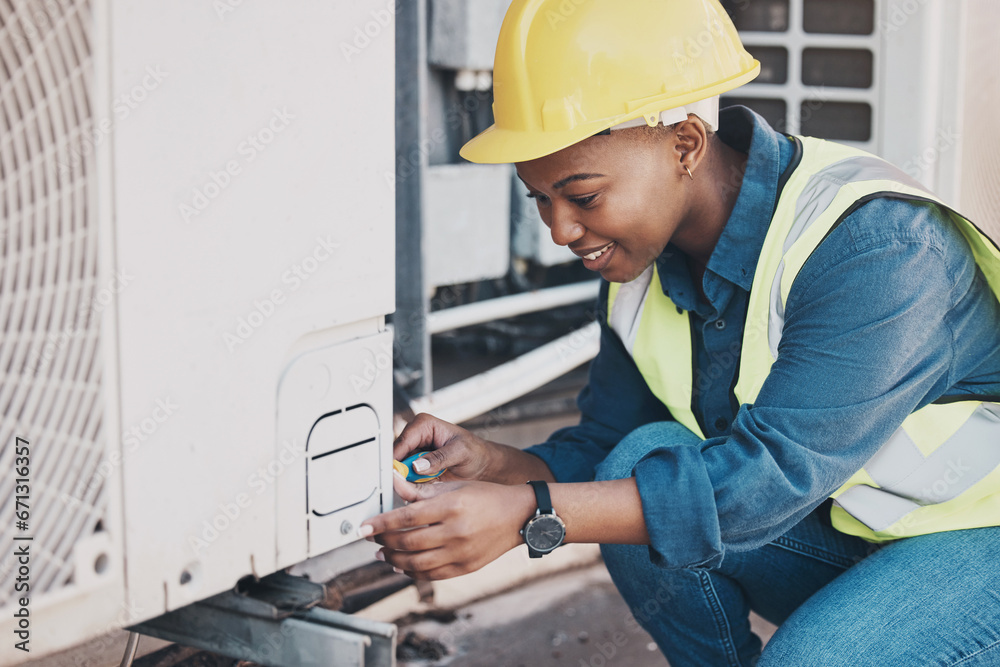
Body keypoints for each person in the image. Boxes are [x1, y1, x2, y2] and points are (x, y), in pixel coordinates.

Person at [361, 0, 1000, 664]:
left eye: (582, 196)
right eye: (540, 198)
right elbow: (607, 449)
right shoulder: (641, 264)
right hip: (856, 532)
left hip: (982, 541)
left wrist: (529, 514)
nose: (559, 232)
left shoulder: (875, 248)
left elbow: (771, 475)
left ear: (685, 145)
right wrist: (492, 466)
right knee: (637, 462)